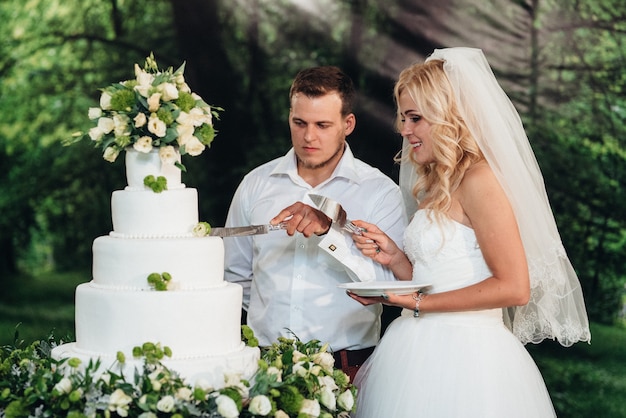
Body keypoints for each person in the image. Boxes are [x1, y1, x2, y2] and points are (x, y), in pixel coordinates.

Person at [346, 48, 591, 417]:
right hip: (414, 350)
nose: (404, 130)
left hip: (469, 358)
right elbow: (441, 278)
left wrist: (414, 303)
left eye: (415, 118)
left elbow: (514, 287)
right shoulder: (437, 182)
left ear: (446, 117)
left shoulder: (480, 180)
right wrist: (394, 258)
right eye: (402, 117)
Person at [223, 66, 408, 380]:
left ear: (347, 124)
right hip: (265, 368)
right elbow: (236, 276)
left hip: (349, 367)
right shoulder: (255, 185)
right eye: (300, 123)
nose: (309, 136)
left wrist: (330, 233)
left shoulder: (379, 192)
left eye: (323, 125)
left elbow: (390, 287)